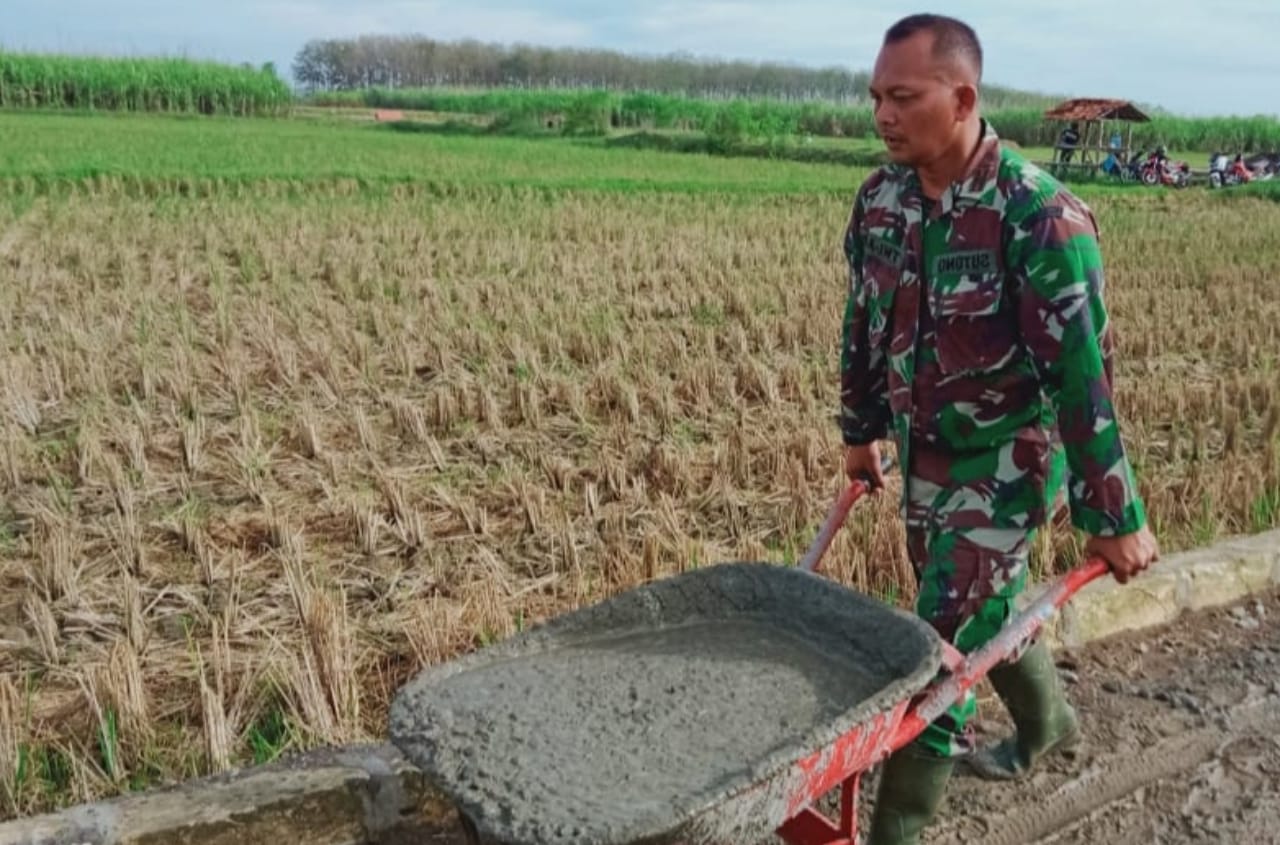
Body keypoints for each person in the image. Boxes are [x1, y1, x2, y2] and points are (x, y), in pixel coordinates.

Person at [840, 14, 1160, 844]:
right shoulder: (881, 201)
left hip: (1009, 466)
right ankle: (1048, 723)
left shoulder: (1040, 217)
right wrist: (858, 428)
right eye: (876, 96)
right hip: (922, 456)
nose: (882, 114)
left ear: (961, 97)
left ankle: (895, 830)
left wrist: (1113, 514)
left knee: (942, 654)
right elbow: (862, 322)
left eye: (902, 97)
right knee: (985, 611)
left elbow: (1081, 376)